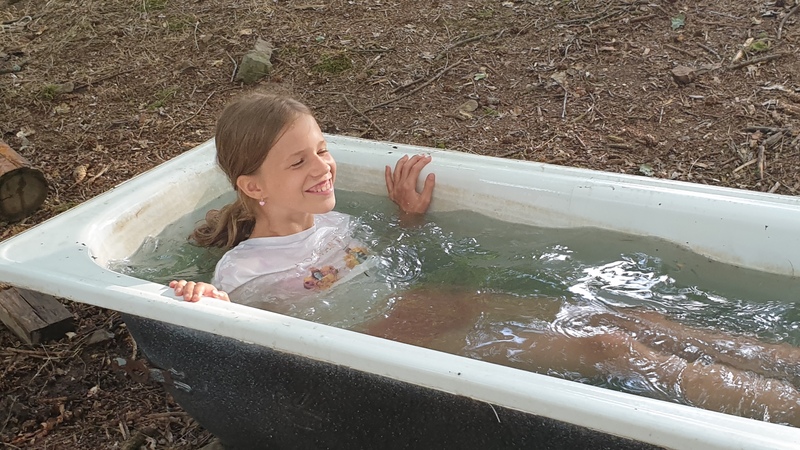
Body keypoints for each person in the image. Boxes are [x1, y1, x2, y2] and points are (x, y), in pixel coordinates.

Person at [170, 92, 800, 427]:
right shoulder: (243, 268)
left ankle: (786, 363)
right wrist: (208, 303)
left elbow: (380, 268)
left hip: (427, 306)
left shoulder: (339, 222)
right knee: (609, 345)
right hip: (392, 345)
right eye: (299, 160)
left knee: (631, 318)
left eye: (323, 148)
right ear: (253, 186)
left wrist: (408, 221)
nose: (324, 165)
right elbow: (243, 333)